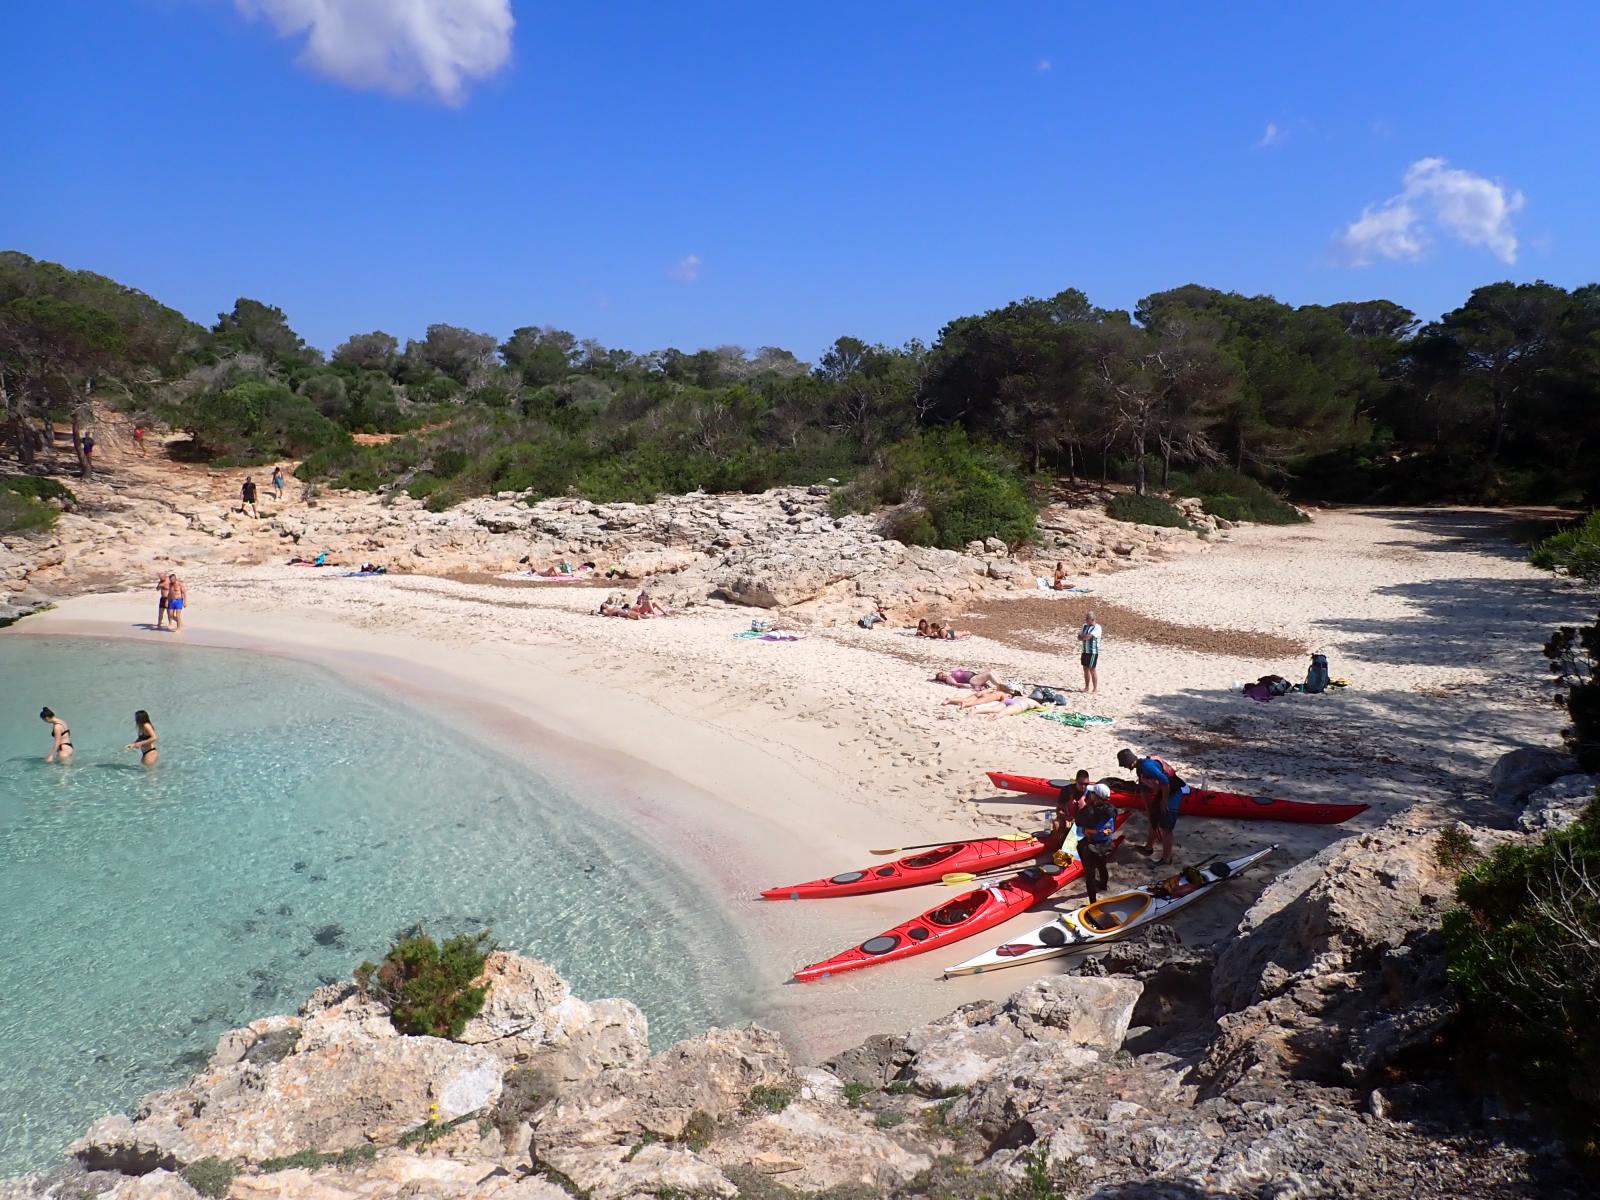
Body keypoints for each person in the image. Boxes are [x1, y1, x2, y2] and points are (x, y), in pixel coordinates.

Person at [1117, 747, 1186, 865]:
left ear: (1129, 762)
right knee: (1154, 818)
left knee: (1166, 827)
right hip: (1163, 791)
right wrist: (1149, 810)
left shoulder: (1146, 766)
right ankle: (1148, 848)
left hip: (1173, 790)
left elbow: (1165, 781)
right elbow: (1144, 791)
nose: (1124, 767)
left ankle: (1166, 859)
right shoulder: (1140, 770)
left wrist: (1164, 801)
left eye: (1124, 765)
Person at [1074, 784, 1118, 903]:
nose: (1090, 794)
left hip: (1091, 846)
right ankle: (1103, 885)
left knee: (1090, 875)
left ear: (1096, 797)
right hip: (1106, 844)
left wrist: (1084, 806)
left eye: (1092, 793)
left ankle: (1092, 902)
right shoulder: (1113, 809)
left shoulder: (1089, 811)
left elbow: (1078, 822)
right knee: (1102, 866)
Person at [1077, 610, 1102, 694]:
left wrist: (1083, 637)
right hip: (1085, 651)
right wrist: (1084, 637)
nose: (1086, 620)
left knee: (1092, 669)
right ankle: (1086, 687)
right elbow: (1079, 637)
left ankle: (1095, 688)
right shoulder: (1084, 626)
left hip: (1092, 652)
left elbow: (1088, 637)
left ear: (1092, 619)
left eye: (1087, 618)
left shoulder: (1097, 627)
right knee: (1085, 669)